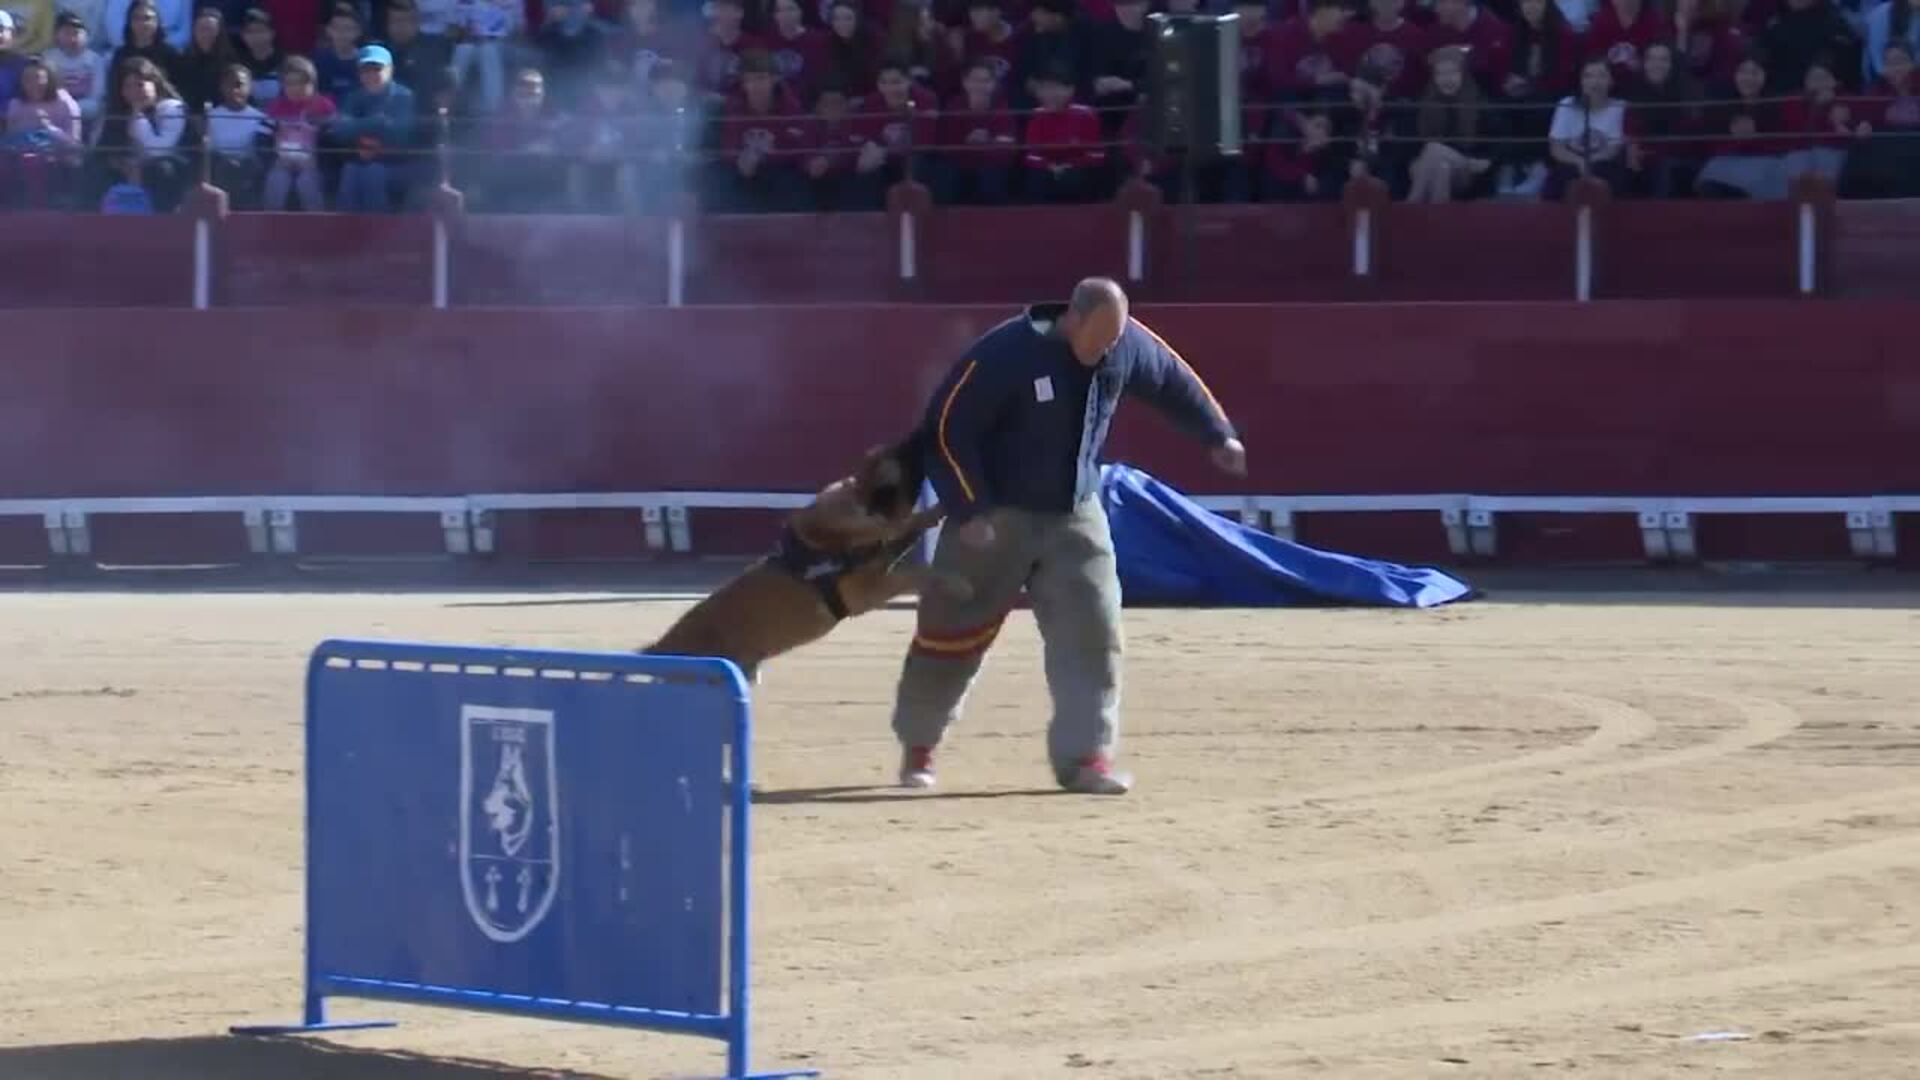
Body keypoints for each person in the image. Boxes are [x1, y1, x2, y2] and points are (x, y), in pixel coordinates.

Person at [890, 277, 1247, 796]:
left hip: (1077, 513)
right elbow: (947, 428)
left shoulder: (1124, 344)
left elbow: (1172, 378)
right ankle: (919, 747)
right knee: (951, 630)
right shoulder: (1006, 352)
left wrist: (1217, 433)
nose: (1103, 353)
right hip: (995, 517)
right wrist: (969, 508)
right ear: (1070, 319)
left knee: (1094, 633)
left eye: (1112, 343)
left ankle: (1087, 759)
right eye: (1095, 340)